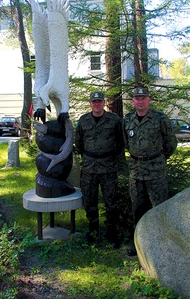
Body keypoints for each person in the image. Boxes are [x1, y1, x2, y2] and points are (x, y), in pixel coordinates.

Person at [123, 87, 177, 256]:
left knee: (159, 207)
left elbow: (171, 143)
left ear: (149, 100)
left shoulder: (160, 118)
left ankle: (162, 244)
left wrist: (157, 158)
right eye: (137, 98)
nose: (140, 101)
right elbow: (126, 143)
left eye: (143, 98)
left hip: (156, 171)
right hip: (136, 170)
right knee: (137, 208)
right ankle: (139, 244)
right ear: (132, 101)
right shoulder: (128, 120)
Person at [75, 91, 125, 247]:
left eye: (99, 101)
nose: (96, 104)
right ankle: (93, 231)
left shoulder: (114, 120)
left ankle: (112, 233)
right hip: (89, 168)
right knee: (90, 201)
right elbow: (79, 143)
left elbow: (120, 142)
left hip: (108, 167)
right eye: (94, 101)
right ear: (90, 104)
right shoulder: (83, 121)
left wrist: (110, 157)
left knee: (111, 202)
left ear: (104, 103)